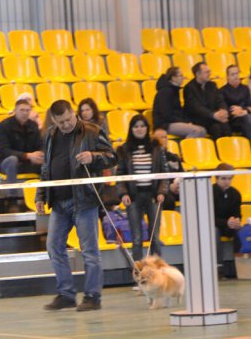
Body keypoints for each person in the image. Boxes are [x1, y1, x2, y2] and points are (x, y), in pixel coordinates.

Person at [35, 100, 117, 311]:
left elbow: (112, 157)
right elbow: (46, 168)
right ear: (54, 121)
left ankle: (93, 296)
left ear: (74, 113)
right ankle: (66, 294)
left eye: (68, 119)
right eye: (60, 122)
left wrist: (93, 157)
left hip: (84, 200)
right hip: (59, 202)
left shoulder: (92, 131)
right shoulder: (51, 135)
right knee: (54, 247)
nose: (66, 125)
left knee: (89, 251)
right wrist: (40, 195)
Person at [115, 115, 168, 262]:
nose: (139, 129)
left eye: (142, 126)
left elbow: (164, 173)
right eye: (136, 126)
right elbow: (120, 175)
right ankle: (138, 273)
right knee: (137, 239)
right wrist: (123, 194)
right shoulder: (124, 149)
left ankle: (157, 271)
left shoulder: (157, 148)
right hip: (133, 198)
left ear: (147, 128)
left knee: (155, 238)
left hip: (153, 196)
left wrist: (162, 192)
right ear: (131, 129)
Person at [0, 97, 44, 205]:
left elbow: (40, 144)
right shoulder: (4, 125)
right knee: (12, 160)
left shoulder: (33, 125)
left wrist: (40, 154)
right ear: (15, 110)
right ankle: (12, 201)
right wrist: (27, 156)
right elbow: (3, 150)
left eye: (27, 110)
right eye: (22, 110)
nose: (25, 113)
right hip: (6, 163)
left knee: (47, 160)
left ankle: (44, 198)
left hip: (27, 162)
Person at [152, 66, 207, 139]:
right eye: (181, 75)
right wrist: (184, 122)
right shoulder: (165, 92)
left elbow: (177, 112)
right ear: (174, 78)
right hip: (165, 124)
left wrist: (186, 121)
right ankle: (187, 146)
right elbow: (166, 115)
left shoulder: (174, 90)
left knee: (203, 130)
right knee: (196, 130)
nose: (183, 77)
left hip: (172, 122)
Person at [183, 61, 231, 140]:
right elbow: (196, 108)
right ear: (198, 74)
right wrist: (213, 115)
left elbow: (220, 100)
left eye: (209, 71)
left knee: (226, 126)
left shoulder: (212, 85)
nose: (209, 74)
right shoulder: (189, 88)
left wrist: (224, 110)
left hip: (213, 117)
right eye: (206, 72)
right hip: (198, 118)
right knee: (217, 128)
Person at [213, 163, 243, 257]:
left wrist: (236, 221)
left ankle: (240, 261)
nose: (227, 182)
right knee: (214, 231)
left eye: (229, 179)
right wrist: (226, 222)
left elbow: (237, 213)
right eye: (223, 178)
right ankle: (217, 263)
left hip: (228, 225)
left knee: (240, 230)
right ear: (216, 178)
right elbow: (207, 218)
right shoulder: (209, 192)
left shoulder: (235, 194)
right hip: (215, 225)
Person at [219, 64, 251, 139]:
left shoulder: (245, 88)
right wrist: (235, 111)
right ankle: (250, 141)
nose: (236, 76)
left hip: (245, 116)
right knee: (247, 118)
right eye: (232, 74)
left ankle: (249, 140)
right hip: (231, 119)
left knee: (247, 117)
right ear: (227, 77)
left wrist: (243, 110)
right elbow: (223, 108)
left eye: (237, 73)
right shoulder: (222, 90)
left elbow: (250, 105)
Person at [152, 128, 184, 211]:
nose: (165, 140)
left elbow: (183, 174)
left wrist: (179, 184)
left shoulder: (174, 157)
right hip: (159, 190)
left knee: (193, 193)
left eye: (166, 137)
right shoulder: (151, 158)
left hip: (177, 188)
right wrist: (169, 187)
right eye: (161, 137)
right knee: (168, 200)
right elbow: (153, 180)